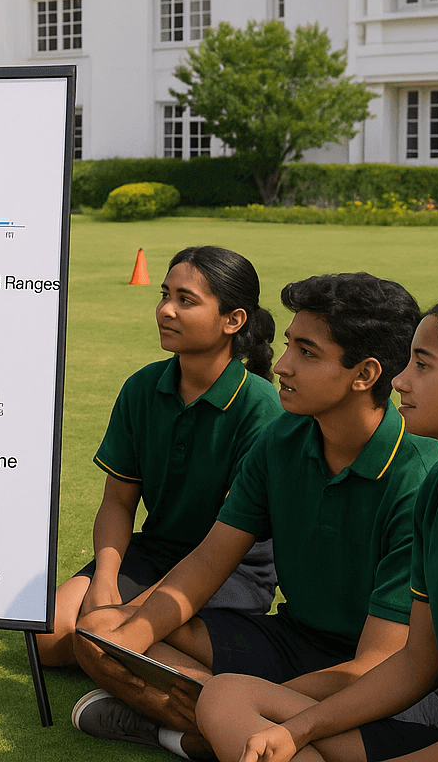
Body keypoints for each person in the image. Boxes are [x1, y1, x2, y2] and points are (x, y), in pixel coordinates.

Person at [199, 291, 438, 762]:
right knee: (227, 696)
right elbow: (415, 664)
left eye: (422, 365)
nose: (400, 380)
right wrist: (298, 730)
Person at [72, 273, 438, 761]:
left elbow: (379, 663)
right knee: (97, 633)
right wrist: (126, 643)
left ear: (365, 374)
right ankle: (216, 726)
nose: (283, 366)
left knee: (235, 702)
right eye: (289, 345)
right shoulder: (281, 440)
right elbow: (207, 563)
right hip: (291, 641)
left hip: (378, 683)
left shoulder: (421, 478)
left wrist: (245, 698)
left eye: (307, 353)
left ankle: (184, 732)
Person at [36, 246, 282, 669]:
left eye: (186, 300)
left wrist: (134, 612)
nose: (166, 310)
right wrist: (106, 583)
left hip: (230, 569)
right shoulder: (143, 387)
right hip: (155, 551)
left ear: (233, 320)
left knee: (105, 640)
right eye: (164, 295)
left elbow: (224, 546)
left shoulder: (260, 407)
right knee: (51, 639)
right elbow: (117, 501)